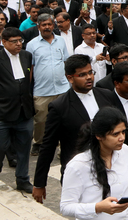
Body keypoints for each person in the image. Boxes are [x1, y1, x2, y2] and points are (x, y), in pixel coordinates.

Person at [32, 55, 116, 204]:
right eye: (82, 75)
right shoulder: (59, 107)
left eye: (90, 72)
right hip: (79, 172)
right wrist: (40, 183)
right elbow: (48, 145)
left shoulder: (107, 96)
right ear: (70, 78)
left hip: (110, 167)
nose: (89, 77)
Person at [60, 107, 128, 219]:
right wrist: (97, 207)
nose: (122, 138)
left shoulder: (125, 151)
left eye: (123, 132)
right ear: (99, 136)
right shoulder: (79, 165)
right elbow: (66, 207)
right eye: (115, 134)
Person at [26, 13, 70, 156]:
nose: (47, 27)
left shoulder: (61, 41)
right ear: (38, 26)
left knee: (64, 119)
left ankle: (64, 146)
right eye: (43, 25)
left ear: (53, 25)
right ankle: (38, 143)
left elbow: (65, 62)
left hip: (62, 87)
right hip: (42, 89)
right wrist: (28, 88)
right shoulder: (31, 45)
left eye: (49, 24)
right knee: (40, 120)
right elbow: (30, 68)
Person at [0, 27, 34, 193]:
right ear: (4, 42)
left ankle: (22, 179)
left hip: (24, 112)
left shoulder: (26, 56)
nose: (19, 44)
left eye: (20, 41)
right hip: (2, 113)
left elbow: (29, 80)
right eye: (14, 41)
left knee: (24, 149)